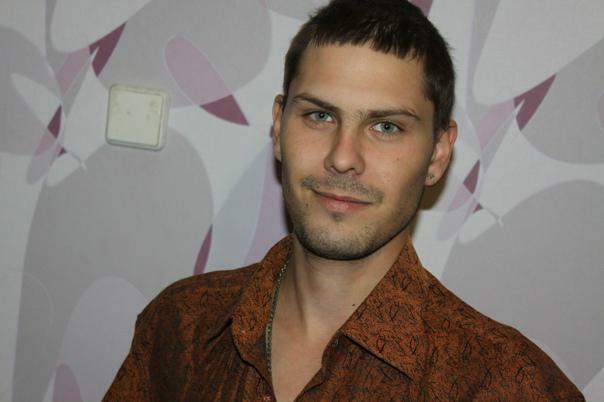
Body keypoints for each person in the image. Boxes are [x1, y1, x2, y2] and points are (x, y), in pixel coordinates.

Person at [104, 0, 584, 400]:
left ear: (438, 154)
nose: (342, 157)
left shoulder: (508, 385)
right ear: (279, 126)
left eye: (386, 126)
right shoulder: (181, 326)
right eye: (319, 116)